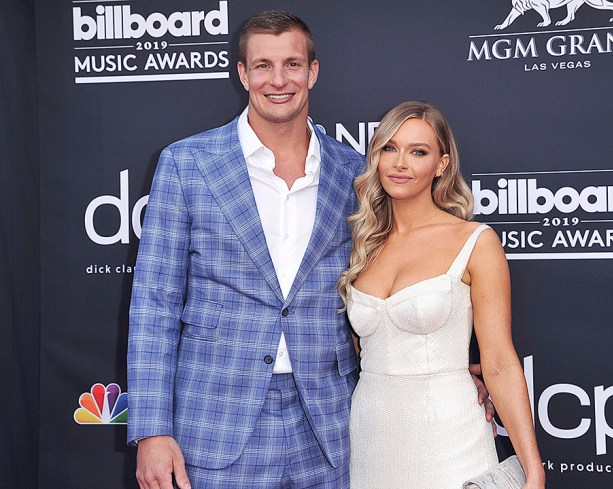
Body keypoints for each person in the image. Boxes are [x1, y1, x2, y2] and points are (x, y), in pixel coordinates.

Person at [127, 11, 493, 489]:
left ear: (312, 72)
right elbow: (154, 303)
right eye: (262, 65)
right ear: (243, 74)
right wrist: (153, 429)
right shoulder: (187, 165)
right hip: (218, 420)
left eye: (292, 64)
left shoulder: (356, 174)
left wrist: (437, 366)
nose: (278, 80)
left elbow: (387, 279)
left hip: (331, 421)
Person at [339, 101, 545, 488]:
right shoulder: (363, 245)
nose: (400, 163)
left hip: (449, 435)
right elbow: (363, 349)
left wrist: (532, 470)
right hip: (370, 436)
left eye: (418, 152)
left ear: (442, 164)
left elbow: (499, 361)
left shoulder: (474, 242)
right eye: (389, 148)